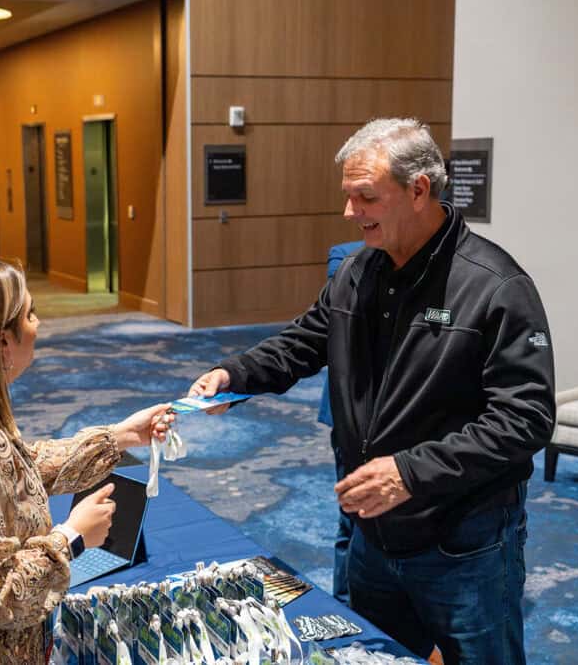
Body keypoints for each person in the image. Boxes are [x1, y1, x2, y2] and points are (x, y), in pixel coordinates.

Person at [190, 118, 555, 664]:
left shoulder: (496, 286)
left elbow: (525, 418)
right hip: (372, 533)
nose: (349, 213)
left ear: (418, 190)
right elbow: (304, 341)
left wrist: (410, 472)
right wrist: (235, 373)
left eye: (365, 197)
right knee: (368, 656)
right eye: (348, 196)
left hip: (463, 544)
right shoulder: (358, 271)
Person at [0, 260, 174, 664]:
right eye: (30, 314)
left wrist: (122, 436)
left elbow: (15, 467)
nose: (38, 325)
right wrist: (73, 537)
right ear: (2, 341)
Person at [318, 240, 363, 604]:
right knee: (351, 517)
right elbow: (308, 337)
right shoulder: (348, 260)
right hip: (350, 422)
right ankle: (345, 604)